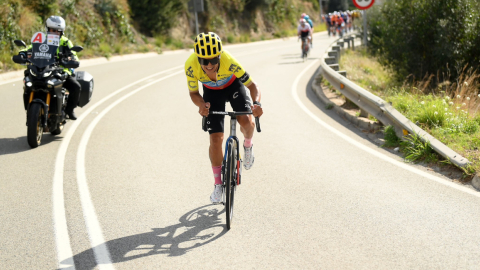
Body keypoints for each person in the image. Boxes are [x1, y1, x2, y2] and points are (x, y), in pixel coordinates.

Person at [185, 32, 263, 204]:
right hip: (211, 93)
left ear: (220, 56)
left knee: (247, 122)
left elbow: (252, 85)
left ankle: (248, 146)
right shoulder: (191, 66)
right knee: (215, 140)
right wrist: (201, 105)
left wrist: (257, 103)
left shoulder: (230, 62)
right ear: (198, 59)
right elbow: (193, 93)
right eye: (205, 61)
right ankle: (218, 184)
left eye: (214, 59)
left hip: (232, 86)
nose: (210, 64)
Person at [18, 15, 81, 120]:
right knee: (28, 82)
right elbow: (31, 47)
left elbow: (73, 53)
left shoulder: (65, 42)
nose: (55, 33)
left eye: (58, 31)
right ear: (48, 29)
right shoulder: (42, 39)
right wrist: (23, 54)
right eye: (53, 30)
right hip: (42, 68)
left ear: (62, 31)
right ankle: (31, 110)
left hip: (61, 71)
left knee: (76, 86)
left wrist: (72, 58)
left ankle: (70, 110)